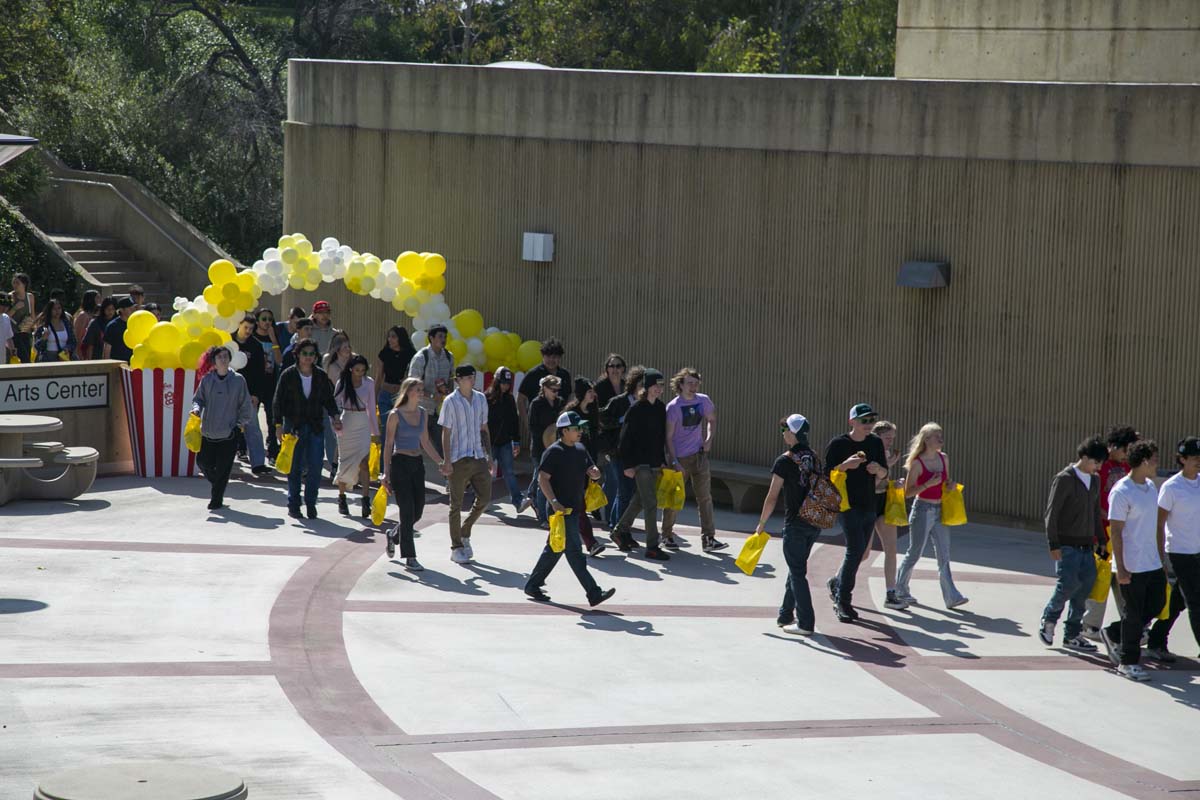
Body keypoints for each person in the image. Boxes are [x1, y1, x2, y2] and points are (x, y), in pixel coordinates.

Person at [523, 410, 617, 606]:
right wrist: (553, 501)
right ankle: (593, 593)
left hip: (575, 508)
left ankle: (533, 584)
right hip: (560, 510)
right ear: (564, 431)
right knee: (574, 552)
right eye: (576, 428)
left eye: (580, 428)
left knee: (554, 549)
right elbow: (543, 479)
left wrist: (595, 473)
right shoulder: (554, 452)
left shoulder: (581, 449)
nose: (580, 431)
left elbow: (593, 471)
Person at [1100, 440, 1167, 681]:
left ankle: (1113, 632)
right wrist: (1122, 567)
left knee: (1157, 605)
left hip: (1152, 562)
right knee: (1134, 614)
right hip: (1131, 564)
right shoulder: (1121, 491)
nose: (1158, 464)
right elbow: (1116, 531)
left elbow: (1155, 526)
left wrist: (1161, 556)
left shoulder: (1150, 487)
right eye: (1155, 459)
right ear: (1145, 461)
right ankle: (1127, 663)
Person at [1039, 436, 1107, 651]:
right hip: (1067, 545)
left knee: (1084, 588)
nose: (1098, 467)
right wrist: (1054, 544)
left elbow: (1095, 512)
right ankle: (1048, 621)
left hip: (1087, 546)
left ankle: (1072, 634)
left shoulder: (1094, 480)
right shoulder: (1065, 478)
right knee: (1066, 585)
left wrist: (1102, 540)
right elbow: (1052, 513)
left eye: (1101, 463)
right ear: (1084, 457)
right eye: (1096, 462)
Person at [823, 403, 888, 623]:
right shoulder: (838, 444)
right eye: (864, 421)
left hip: (869, 504)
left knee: (858, 552)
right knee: (855, 550)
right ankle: (843, 600)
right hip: (846, 505)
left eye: (871, 421)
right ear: (852, 422)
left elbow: (885, 472)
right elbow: (824, 475)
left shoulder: (875, 443)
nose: (868, 425)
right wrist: (844, 467)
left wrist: (878, 470)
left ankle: (837, 584)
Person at [757, 414, 821, 635]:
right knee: (796, 568)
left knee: (797, 573)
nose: (783, 433)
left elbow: (772, 495)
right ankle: (786, 614)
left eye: (784, 429)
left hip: (795, 522)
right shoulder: (814, 457)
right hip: (814, 521)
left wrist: (762, 523)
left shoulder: (784, 460)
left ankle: (805, 623)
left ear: (792, 433)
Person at [893, 423, 969, 610]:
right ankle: (900, 589)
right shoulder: (917, 463)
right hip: (922, 510)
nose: (941, 438)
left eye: (941, 435)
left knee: (944, 554)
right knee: (915, 552)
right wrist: (927, 484)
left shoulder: (944, 458)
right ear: (926, 439)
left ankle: (951, 596)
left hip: (940, 509)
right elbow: (908, 492)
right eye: (936, 435)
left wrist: (950, 485)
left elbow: (946, 483)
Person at [1081, 425, 1141, 640]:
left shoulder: (1126, 467)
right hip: (1101, 534)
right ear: (1115, 446)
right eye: (1127, 449)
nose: (1129, 454)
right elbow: (1092, 498)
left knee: (1121, 578)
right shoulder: (1101, 464)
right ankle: (1090, 624)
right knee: (1100, 578)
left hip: (1120, 534)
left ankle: (1131, 622)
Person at [272, 338, 342, 519]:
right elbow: (277, 401)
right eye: (305, 354)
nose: (308, 357)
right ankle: (294, 504)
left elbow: (329, 399)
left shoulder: (320, 375)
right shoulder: (288, 375)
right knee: (294, 468)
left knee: (315, 467)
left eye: (312, 354)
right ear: (297, 355)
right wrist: (278, 426)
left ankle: (311, 504)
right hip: (293, 427)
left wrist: (335, 417)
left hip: (315, 426)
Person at [663, 367, 727, 552]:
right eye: (689, 383)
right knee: (674, 498)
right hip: (680, 458)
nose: (693, 386)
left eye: (696, 383)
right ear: (680, 385)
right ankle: (666, 535)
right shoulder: (673, 407)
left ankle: (709, 538)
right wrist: (674, 461)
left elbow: (712, 420)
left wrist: (708, 439)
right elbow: (668, 437)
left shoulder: (703, 400)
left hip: (699, 456)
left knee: (705, 498)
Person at [382, 377, 443, 569]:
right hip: (400, 463)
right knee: (406, 511)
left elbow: (425, 442)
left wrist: (440, 461)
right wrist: (386, 472)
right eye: (418, 389)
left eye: (422, 389)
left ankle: (394, 535)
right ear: (408, 391)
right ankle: (410, 557)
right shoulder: (395, 414)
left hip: (417, 463)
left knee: (418, 510)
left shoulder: (423, 413)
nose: (421, 393)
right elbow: (388, 444)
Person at [610, 368, 671, 561]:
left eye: (660, 386)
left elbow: (660, 437)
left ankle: (619, 531)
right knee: (651, 503)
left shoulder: (661, 408)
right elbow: (624, 439)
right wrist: (628, 465)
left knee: (639, 500)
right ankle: (652, 546)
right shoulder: (636, 409)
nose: (658, 389)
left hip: (654, 463)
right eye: (654, 385)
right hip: (639, 464)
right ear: (646, 387)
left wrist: (662, 460)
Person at [192, 346, 256, 510]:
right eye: (220, 357)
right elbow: (198, 399)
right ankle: (218, 483)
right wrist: (196, 410)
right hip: (208, 431)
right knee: (203, 462)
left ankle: (216, 499)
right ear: (214, 360)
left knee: (223, 467)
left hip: (229, 433)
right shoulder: (207, 380)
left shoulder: (238, 380)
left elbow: (245, 405)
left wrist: (239, 424)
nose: (223, 359)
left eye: (226, 356)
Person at [439, 364, 491, 564]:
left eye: (473, 377)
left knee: (485, 498)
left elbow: (484, 428)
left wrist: (489, 455)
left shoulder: (481, 398)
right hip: (458, 458)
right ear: (458, 380)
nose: (472, 380)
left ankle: (465, 531)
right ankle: (456, 547)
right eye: (468, 377)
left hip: (478, 455)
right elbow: (446, 432)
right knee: (456, 505)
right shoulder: (450, 402)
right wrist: (447, 460)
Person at [1155, 436, 1200, 660]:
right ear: (1181, 459)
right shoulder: (1171, 487)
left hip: (1198, 551)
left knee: (1177, 602)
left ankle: (1156, 640)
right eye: (1193, 457)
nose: (1198, 461)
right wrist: (1159, 555)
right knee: (1196, 600)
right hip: (1179, 552)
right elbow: (1159, 523)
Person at [862, 420, 905, 609]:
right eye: (887, 438)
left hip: (884, 502)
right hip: (868, 502)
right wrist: (885, 467)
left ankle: (890, 593)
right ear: (877, 436)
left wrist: (893, 484)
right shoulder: (868, 454)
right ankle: (839, 580)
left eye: (892, 439)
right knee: (863, 553)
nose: (890, 442)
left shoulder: (886, 454)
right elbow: (871, 483)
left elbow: (883, 482)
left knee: (891, 549)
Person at [597, 365, 644, 526]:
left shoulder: (646, 404)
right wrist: (620, 421)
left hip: (637, 453)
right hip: (618, 451)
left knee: (630, 492)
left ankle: (619, 525)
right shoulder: (619, 401)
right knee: (623, 491)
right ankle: (617, 526)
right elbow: (602, 419)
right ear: (633, 385)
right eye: (641, 385)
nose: (643, 389)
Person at [564, 377, 606, 556]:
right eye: (589, 391)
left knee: (575, 506)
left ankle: (562, 539)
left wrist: (593, 463)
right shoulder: (570, 414)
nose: (593, 394)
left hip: (587, 461)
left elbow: (594, 439)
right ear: (581, 394)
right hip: (570, 464)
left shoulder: (593, 412)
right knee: (577, 505)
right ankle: (591, 543)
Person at [333, 354, 378, 517]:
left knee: (364, 463)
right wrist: (336, 421)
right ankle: (342, 497)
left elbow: (372, 408)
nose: (360, 373)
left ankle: (366, 500)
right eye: (357, 370)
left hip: (363, 423)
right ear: (351, 368)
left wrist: (375, 432)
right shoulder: (343, 382)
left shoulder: (369, 383)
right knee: (345, 461)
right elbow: (334, 404)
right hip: (347, 422)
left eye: (363, 370)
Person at [519, 375, 566, 523]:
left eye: (558, 390)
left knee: (551, 480)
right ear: (544, 389)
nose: (556, 393)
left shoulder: (560, 403)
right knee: (542, 481)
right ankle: (543, 516)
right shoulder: (536, 404)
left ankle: (532, 499)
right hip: (540, 448)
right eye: (553, 390)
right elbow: (533, 427)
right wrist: (547, 435)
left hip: (557, 447)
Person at [408, 323, 454, 457]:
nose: (443, 339)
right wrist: (433, 396)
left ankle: (447, 476)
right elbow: (412, 387)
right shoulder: (420, 358)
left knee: (444, 448)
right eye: (440, 336)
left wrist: (448, 394)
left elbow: (451, 379)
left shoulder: (449, 357)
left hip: (440, 412)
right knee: (415, 448)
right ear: (431, 338)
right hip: (421, 409)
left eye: (445, 336)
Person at [232, 314, 270, 475]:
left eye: (251, 328)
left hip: (248, 394)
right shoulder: (228, 341)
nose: (248, 331)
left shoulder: (256, 346)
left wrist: (256, 395)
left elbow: (260, 374)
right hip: (228, 392)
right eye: (245, 327)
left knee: (253, 427)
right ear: (238, 325)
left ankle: (258, 463)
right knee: (227, 429)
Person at [518, 337, 572, 440]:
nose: (551, 360)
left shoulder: (565, 374)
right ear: (542, 356)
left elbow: (569, 396)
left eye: (555, 356)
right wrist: (527, 423)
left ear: (560, 357)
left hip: (560, 429)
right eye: (548, 356)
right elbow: (520, 399)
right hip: (539, 429)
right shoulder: (533, 374)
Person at [486, 366, 523, 510]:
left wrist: (516, 440)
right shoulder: (486, 398)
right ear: (496, 381)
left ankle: (518, 501)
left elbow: (514, 420)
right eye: (503, 383)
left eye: (508, 383)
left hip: (505, 442)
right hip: (490, 442)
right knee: (486, 473)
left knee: (509, 472)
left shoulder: (509, 399)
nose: (505, 386)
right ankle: (482, 500)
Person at [323, 332, 354, 477]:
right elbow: (341, 385)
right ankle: (336, 466)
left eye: (349, 347)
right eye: (344, 347)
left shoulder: (354, 361)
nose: (348, 350)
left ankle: (339, 465)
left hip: (354, 403)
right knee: (340, 436)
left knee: (347, 437)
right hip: (338, 405)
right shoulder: (331, 365)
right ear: (337, 349)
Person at [253, 308, 282, 459]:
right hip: (255, 383)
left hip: (271, 383)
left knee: (272, 417)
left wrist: (273, 339)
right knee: (250, 417)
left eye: (270, 319)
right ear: (257, 321)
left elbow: (279, 361)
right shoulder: (252, 336)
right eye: (264, 319)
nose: (267, 322)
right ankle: (245, 447)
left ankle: (272, 449)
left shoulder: (274, 337)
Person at [375, 324, 416, 431]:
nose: (390, 339)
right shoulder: (384, 353)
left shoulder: (411, 354)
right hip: (385, 394)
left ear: (400, 338)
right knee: (386, 429)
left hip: (401, 395)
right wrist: (374, 397)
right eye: (389, 337)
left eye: (393, 337)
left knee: (401, 429)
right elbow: (379, 377)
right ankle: (386, 448)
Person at [9, 273, 35, 363]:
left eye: (17, 283)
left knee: (27, 356)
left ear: (24, 284)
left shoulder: (30, 297)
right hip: (13, 334)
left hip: (25, 331)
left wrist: (30, 325)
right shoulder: (11, 297)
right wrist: (15, 308)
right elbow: (4, 316)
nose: (15, 285)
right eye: (14, 283)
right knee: (21, 357)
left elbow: (32, 315)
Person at [102, 297, 136, 362]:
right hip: (117, 365)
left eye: (133, 307)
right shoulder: (112, 326)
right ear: (121, 310)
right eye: (129, 307)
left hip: (133, 364)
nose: (132, 309)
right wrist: (107, 365)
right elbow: (107, 348)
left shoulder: (136, 324)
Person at [73, 290, 99, 359]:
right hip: (83, 352)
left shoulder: (94, 315)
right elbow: (78, 337)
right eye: (97, 298)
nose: (100, 300)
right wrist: (79, 354)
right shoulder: (83, 315)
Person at [0, 293, 14, 360]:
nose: (5, 308)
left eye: (7, 306)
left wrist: (12, 349)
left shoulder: (6, 318)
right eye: (2, 305)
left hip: (2, 357)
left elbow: (9, 338)